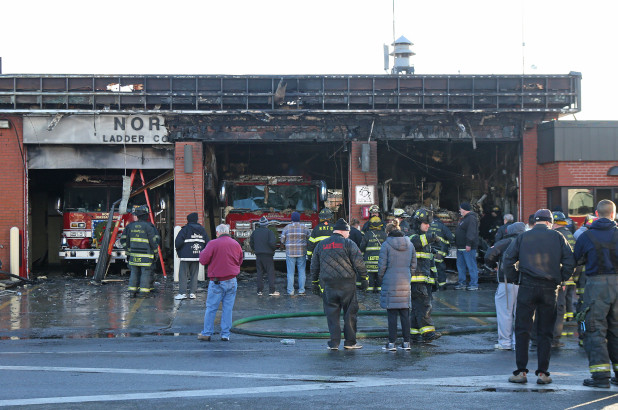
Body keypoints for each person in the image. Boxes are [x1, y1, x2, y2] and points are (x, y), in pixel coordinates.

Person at [502, 209, 575, 385]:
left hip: (527, 286)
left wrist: (515, 278)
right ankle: (543, 373)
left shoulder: (523, 237)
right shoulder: (558, 237)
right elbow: (570, 261)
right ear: (549, 222)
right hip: (550, 289)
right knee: (545, 331)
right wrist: (561, 277)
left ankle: (521, 372)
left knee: (522, 330)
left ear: (534, 222)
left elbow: (508, 259)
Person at [574, 199, 618, 388]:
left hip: (596, 285)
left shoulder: (586, 236)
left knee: (594, 329)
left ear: (596, 213)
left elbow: (576, 260)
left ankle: (601, 377)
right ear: (613, 214)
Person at [310, 218, 367, 350]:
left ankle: (334, 343)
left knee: (332, 314)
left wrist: (314, 283)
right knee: (350, 314)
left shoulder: (321, 244)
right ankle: (350, 342)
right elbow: (359, 263)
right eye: (348, 232)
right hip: (347, 285)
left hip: (329, 285)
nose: (349, 234)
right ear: (343, 231)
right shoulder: (349, 243)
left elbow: (314, 266)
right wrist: (364, 278)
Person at [197, 224, 243, 342]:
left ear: (218, 233)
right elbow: (240, 260)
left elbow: (203, 260)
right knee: (228, 309)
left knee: (211, 308)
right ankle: (225, 334)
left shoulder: (213, 244)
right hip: (232, 280)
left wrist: (202, 252)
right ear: (228, 232)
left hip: (217, 281)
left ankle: (207, 333)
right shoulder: (236, 244)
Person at [485, 222, 525, 350]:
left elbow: (489, 255)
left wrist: (494, 266)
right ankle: (518, 342)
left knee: (505, 313)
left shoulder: (505, 242)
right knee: (521, 314)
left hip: (507, 282)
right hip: (525, 283)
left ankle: (505, 342)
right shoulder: (528, 242)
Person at [379, 219, 416, 351]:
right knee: (405, 314)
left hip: (390, 282)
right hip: (405, 281)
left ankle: (391, 343)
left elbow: (382, 266)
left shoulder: (386, 245)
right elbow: (413, 265)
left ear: (388, 232)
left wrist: (381, 277)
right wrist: (408, 275)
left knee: (392, 314)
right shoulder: (410, 244)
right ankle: (407, 343)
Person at [408, 208, 441, 343]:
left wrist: (435, 280)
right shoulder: (411, 237)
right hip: (416, 281)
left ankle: (414, 333)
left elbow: (430, 263)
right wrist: (432, 237)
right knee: (424, 306)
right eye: (425, 223)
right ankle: (428, 333)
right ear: (417, 223)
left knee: (417, 308)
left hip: (424, 281)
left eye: (429, 223)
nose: (428, 226)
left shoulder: (426, 242)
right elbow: (416, 242)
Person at [120, 205, 160, 297]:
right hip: (146, 256)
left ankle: (132, 292)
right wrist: (155, 252)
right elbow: (154, 241)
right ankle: (143, 293)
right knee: (145, 273)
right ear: (146, 216)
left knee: (134, 272)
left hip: (133, 256)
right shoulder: (149, 226)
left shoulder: (130, 226)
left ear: (137, 215)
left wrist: (128, 250)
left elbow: (123, 240)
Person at [552, 211, 577, 342]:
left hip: (561, 276)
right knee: (567, 299)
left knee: (559, 305)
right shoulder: (570, 234)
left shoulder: (558, 235)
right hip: (571, 275)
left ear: (555, 223)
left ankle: (556, 335)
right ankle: (570, 319)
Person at [174, 212, 209, 300]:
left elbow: (178, 242)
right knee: (194, 274)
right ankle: (192, 293)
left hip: (186, 256)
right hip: (197, 256)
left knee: (183, 274)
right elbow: (207, 242)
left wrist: (180, 251)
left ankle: (182, 293)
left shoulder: (185, 229)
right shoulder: (202, 229)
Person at [281, 211, 312, 296]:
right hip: (301, 252)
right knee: (302, 271)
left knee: (290, 272)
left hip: (290, 253)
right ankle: (301, 290)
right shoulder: (304, 228)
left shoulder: (287, 228)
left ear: (292, 219)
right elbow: (310, 238)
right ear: (299, 219)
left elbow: (282, 240)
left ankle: (290, 291)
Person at [249, 216, 278, 296]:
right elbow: (272, 243)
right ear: (266, 224)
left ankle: (259, 291)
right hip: (268, 255)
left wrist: (255, 249)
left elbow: (251, 242)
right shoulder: (269, 232)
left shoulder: (255, 232)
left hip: (258, 255)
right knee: (270, 273)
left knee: (259, 273)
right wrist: (273, 249)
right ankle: (272, 291)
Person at [455, 202, 480, 291]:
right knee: (461, 266)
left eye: (460, 208)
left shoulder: (471, 219)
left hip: (467, 248)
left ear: (464, 209)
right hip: (461, 247)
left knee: (471, 266)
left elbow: (471, 232)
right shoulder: (464, 219)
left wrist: (468, 244)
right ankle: (462, 283)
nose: (459, 210)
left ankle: (474, 284)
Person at [359, 215, 387, 292]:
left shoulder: (367, 234)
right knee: (380, 278)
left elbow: (362, 247)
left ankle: (370, 293)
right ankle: (379, 292)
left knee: (370, 279)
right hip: (380, 263)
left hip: (369, 263)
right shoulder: (384, 235)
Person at [429, 213, 454, 290]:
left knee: (430, 268)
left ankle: (432, 286)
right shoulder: (443, 227)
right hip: (440, 252)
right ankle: (441, 286)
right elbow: (451, 237)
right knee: (440, 268)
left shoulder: (428, 226)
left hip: (429, 251)